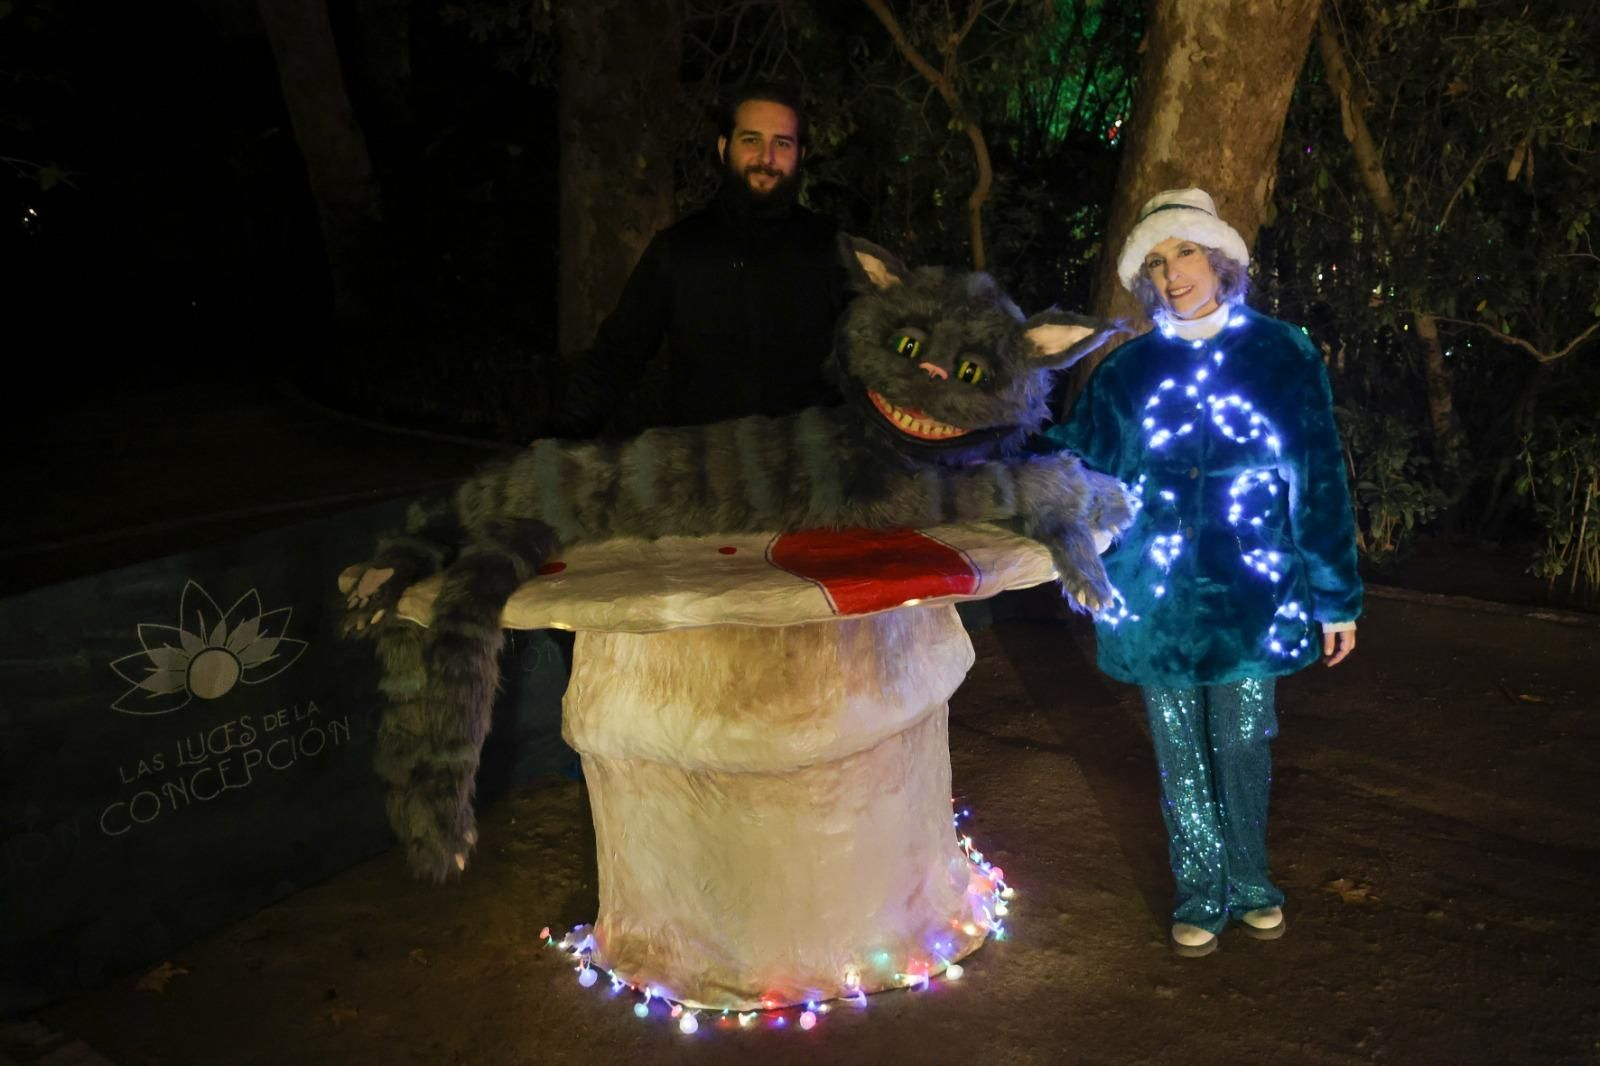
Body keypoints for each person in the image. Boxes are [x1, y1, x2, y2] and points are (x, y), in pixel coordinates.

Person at [1043, 187, 1362, 957]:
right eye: (1155, 262)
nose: (1172, 273)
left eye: (1184, 252)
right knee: (1178, 751)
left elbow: (1317, 474)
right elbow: (1076, 467)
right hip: (1153, 595)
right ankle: (1201, 890)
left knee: (1246, 740)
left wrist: (1335, 598)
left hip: (1256, 592)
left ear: (1219, 259)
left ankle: (1251, 881)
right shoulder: (1128, 371)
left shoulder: (1283, 352)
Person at [565, 83, 850, 434]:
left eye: (783, 143)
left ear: (801, 154)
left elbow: (876, 352)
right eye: (751, 140)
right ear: (723, 147)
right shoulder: (679, 249)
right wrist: (561, 436)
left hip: (806, 474)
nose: (767, 158)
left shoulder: (833, 250)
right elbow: (617, 355)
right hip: (701, 472)